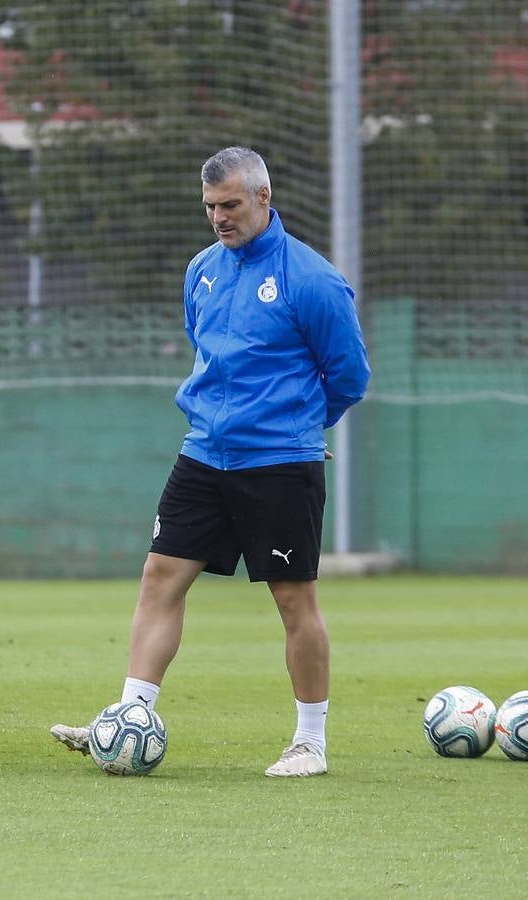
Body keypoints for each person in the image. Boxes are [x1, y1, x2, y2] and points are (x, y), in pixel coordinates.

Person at [50, 146, 370, 777]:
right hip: (203, 453)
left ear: (263, 198)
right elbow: (206, 349)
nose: (220, 218)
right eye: (210, 207)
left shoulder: (312, 279)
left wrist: (301, 427)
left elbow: (350, 376)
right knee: (159, 576)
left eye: (230, 205)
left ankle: (310, 742)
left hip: (278, 462)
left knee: (292, 600)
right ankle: (129, 719)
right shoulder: (202, 270)